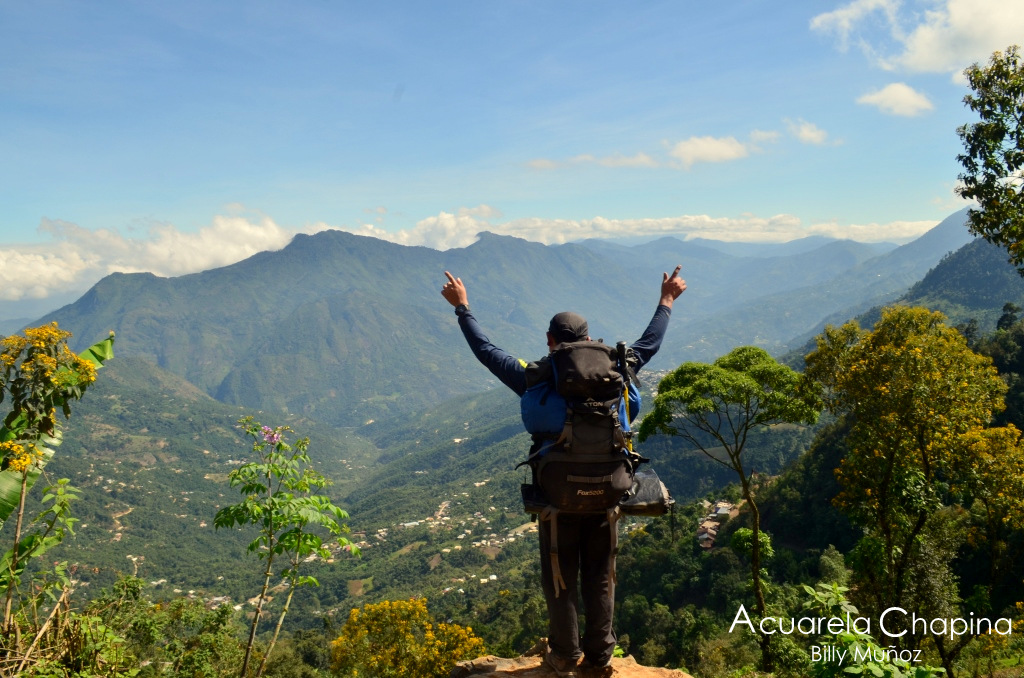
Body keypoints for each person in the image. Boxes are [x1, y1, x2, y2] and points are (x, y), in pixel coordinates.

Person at [440, 267, 686, 678]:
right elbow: (651, 342)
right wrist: (667, 299)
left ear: (551, 342)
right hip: (609, 496)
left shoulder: (534, 375)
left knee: (560, 575)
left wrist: (462, 307)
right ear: (590, 339)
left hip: (557, 500)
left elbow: (486, 350)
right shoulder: (620, 370)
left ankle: (565, 654)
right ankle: (600, 658)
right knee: (601, 576)